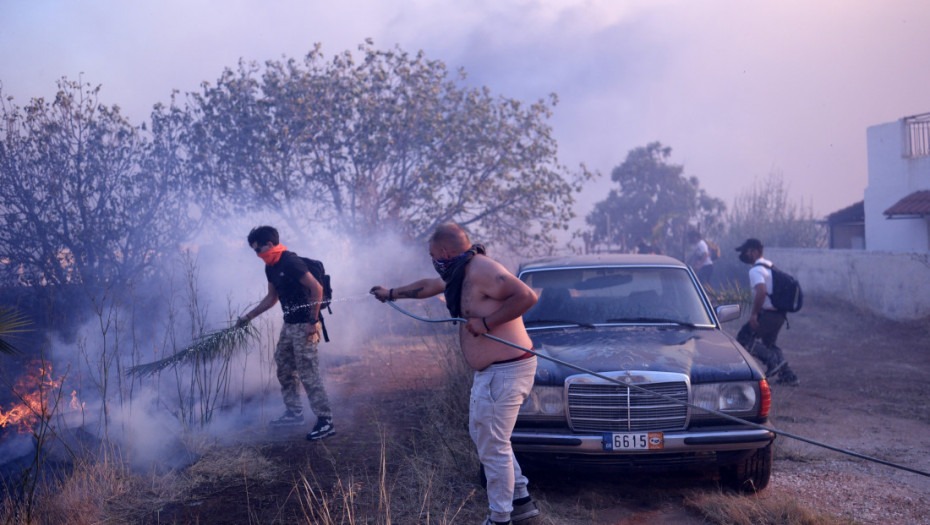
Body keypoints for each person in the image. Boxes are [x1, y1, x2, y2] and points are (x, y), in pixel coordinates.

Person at [370, 223, 540, 525]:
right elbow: (428, 286)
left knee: (494, 444)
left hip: (508, 369)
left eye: (432, 255)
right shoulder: (458, 273)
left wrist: (487, 323)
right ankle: (521, 503)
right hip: (492, 372)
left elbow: (526, 296)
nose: (432, 260)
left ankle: (500, 517)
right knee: (485, 436)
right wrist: (391, 293)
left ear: (445, 252)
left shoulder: (482, 270)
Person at [237, 226, 336, 440]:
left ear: (271, 244)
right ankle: (294, 413)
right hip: (290, 324)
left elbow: (317, 289)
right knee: (283, 366)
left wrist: (313, 320)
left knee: (308, 371)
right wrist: (248, 316)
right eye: (254, 251)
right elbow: (272, 298)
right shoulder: (270, 267)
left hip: (306, 324)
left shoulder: (290, 262)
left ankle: (325, 421)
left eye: (259, 249)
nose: (258, 254)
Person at [734, 238, 800, 386]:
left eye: (746, 252)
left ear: (755, 251)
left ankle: (772, 361)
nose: (744, 255)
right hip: (780, 315)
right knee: (769, 343)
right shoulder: (770, 266)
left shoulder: (756, 270)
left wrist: (754, 314)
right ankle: (788, 375)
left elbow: (761, 292)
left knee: (743, 340)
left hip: (768, 315)